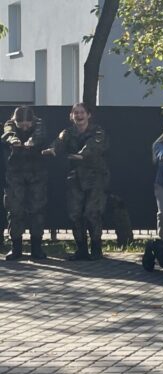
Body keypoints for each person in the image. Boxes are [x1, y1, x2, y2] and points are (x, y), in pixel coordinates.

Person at [43, 103, 109, 260]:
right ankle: (81, 249)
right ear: (71, 116)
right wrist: (53, 149)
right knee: (75, 214)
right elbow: (59, 141)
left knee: (92, 213)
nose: (79, 116)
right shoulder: (68, 132)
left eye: (82, 112)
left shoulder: (97, 131)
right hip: (75, 177)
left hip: (95, 176)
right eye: (76, 113)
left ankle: (96, 249)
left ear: (88, 115)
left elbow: (95, 144)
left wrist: (82, 154)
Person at [2, 106, 52, 260]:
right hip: (15, 174)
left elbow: (39, 135)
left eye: (27, 124)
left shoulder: (39, 123)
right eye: (21, 124)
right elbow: (8, 133)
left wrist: (32, 142)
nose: (24, 127)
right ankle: (16, 247)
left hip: (36, 174)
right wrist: (14, 140)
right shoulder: (10, 124)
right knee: (15, 210)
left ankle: (36, 247)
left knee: (37, 210)